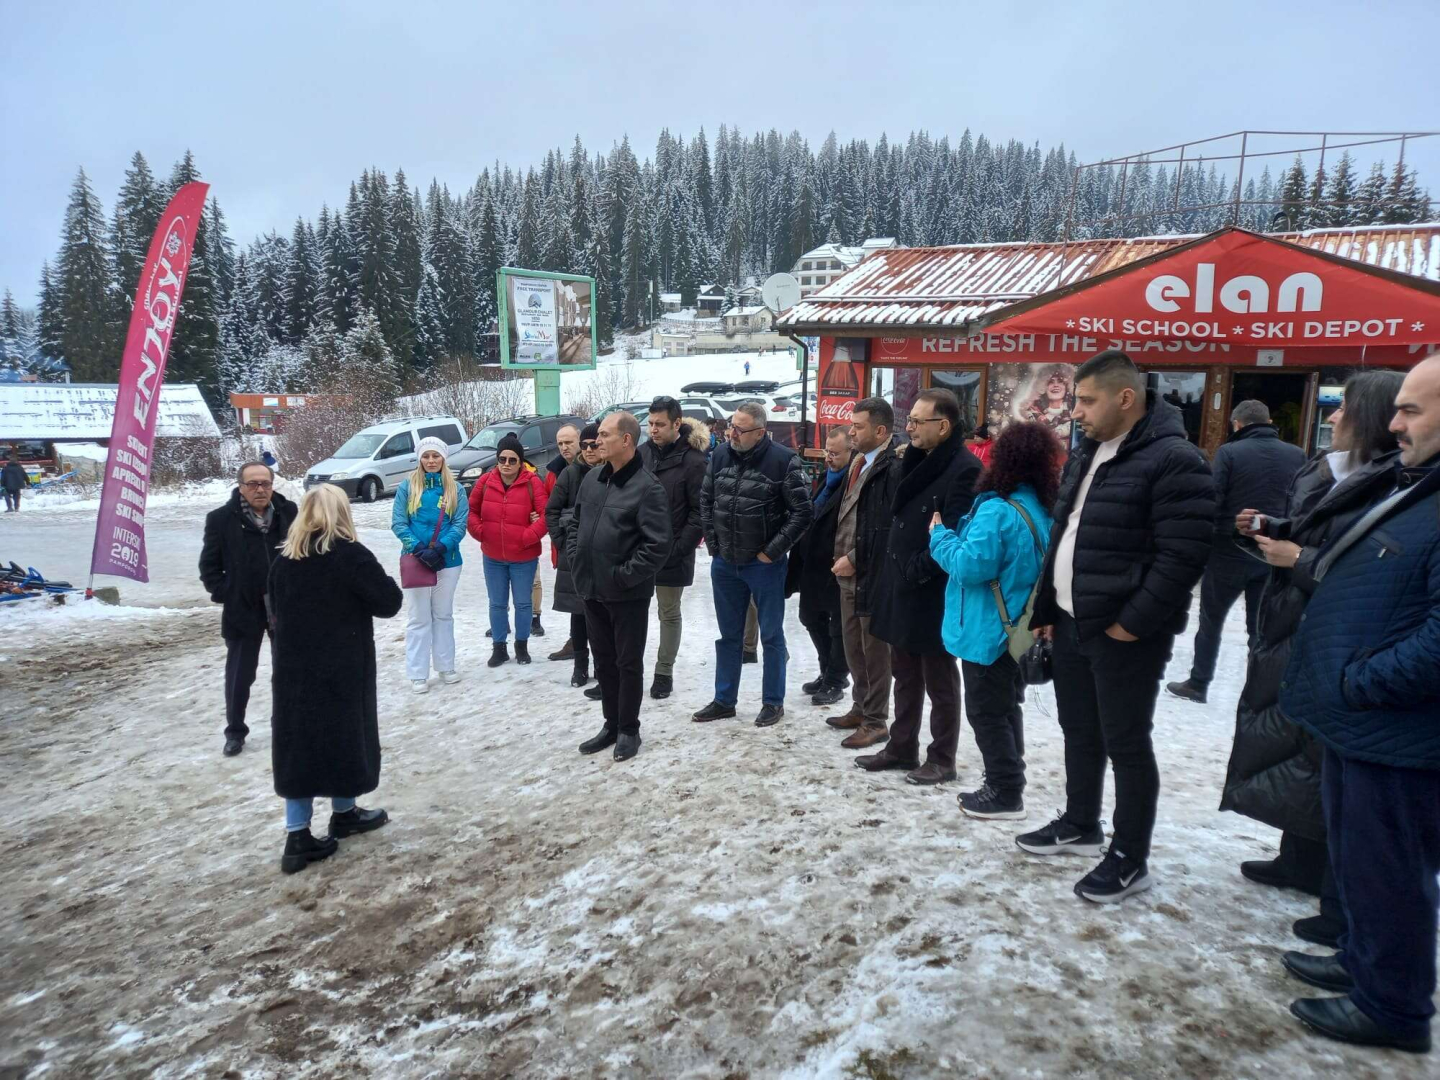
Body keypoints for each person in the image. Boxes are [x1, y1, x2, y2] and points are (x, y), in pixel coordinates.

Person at [1278, 355, 1440, 1053]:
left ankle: (1394, 1007)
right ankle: (1361, 961)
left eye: (1412, 410)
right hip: (1364, 725)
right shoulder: (1418, 482)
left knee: (1391, 871)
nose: (1393, 423)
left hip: (1397, 730)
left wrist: (1361, 681)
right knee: (1361, 864)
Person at [1219, 371, 1405, 951]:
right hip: (1291, 626)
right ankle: (1297, 858)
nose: (1332, 417)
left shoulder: (1395, 482)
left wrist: (1298, 557)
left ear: (1370, 416)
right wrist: (1267, 529)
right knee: (1295, 744)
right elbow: (1312, 534)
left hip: (1336, 634)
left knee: (1325, 756)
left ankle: (1334, 894)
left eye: (1343, 407)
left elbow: (1372, 573)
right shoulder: (1327, 467)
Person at [1020, 350, 1215, 903]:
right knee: (1079, 730)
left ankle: (1131, 857)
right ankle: (1081, 822)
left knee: (1126, 743)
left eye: (1086, 400)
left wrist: (1134, 623)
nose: (1075, 411)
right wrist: (1048, 610)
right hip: (1072, 622)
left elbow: (1184, 555)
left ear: (1125, 398)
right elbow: (1064, 534)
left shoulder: (1175, 459)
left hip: (1123, 634)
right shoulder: (1088, 450)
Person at [267, 483, 403, 873]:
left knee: (299, 744)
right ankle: (314, 831)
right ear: (342, 513)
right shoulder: (349, 555)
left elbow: (273, 610)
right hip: (343, 667)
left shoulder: (284, 559)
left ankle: (314, 824)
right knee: (345, 735)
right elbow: (389, 602)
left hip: (294, 670)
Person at [929, 421, 1061, 818]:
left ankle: (1004, 791)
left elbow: (969, 567)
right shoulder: (1044, 508)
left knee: (986, 712)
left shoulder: (997, 510)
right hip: (1020, 630)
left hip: (988, 630)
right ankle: (1008, 780)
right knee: (1006, 708)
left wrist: (940, 536)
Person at [854, 389, 981, 785]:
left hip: (932, 590)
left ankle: (942, 758)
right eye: (908, 420)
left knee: (940, 680)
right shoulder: (915, 458)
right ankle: (901, 746)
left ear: (943, 426)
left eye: (916, 421)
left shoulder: (964, 469)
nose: (907, 428)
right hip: (900, 583)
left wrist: (915, 570)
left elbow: (955, 534)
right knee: (905, 674)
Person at [1167, 400, 1306, 704]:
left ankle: (1199, 683)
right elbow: (1301, 502)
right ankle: (1259, 688)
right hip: (1272, 552)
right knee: (1260, 627)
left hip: (1228, 551)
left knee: (1211, 621)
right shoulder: (1296, 454)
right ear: (1269, 422)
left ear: (1237, 424)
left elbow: (1213, 499)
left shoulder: (1230, 452)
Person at [693, 402, 812, 727]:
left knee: (771, 635)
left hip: (764, 566)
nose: (732, 434)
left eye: (740, 429)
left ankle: (773, 702)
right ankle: (724, 700)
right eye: (732, 426)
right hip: (725, 563)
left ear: (761, 432)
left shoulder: (783, 460)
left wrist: (771, 553)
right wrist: (714, 545)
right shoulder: (720, 455)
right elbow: (706, 500)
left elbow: (802, 513)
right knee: (728, 636)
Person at [569, 411, 671, 762]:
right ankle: (610, 724)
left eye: (604, 435)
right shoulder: (592, 478)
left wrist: (622, 576)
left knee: (628, 663)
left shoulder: (648, 487)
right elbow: (575, 524)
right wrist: (577, 561)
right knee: (604, 661)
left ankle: (629, 729)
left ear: (626, 440)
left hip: (626, 594)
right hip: (591, 588)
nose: (596, 441)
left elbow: (657, 545)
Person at [199, 461, 298, 757]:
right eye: (253, 484)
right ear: (241, 487)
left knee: (289, 670)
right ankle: (235, 731)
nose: (260, 489)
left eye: (265, 483)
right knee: (240, 674)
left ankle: (287, 726)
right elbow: (209, 567)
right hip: (243, 608)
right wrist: (228, 593)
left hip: (284, 605)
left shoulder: (289, 512)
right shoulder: (220, 519)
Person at [828, 396, 900, 748]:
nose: (851, 432)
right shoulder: (859, 460)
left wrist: (855, 557)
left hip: (872, 572)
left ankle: (875, 720)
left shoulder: (892, 467)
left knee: (874, 650)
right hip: (847, 572)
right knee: (853, 644)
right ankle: (860, 707)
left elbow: (889, 525)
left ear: (881, 431)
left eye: (858, 427)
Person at [637, 396, 708, 699]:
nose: (653, 429)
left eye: (660, 424)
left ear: (677, 424)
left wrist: (679, 548)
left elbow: (700, 511)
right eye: (650, 424)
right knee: (632, 613)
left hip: (673, 550)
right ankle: (626, 670)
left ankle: (663, 672)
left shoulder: (694, 461)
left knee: (668, 612)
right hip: (637, 550)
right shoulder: (641, 454)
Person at [391, 437, 469, 694]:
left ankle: (446, 666)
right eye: (426, 456)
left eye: (436, 456)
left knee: (443, 614)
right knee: (418, 617)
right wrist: (417, 548)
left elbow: (460, 523)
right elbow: (398, 522)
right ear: (420, 458)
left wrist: (441, 547)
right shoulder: (407, 487)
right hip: (415, 560)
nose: (431, 460)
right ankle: (417, 673)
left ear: (443, 458)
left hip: (447, 560)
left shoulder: (455, 489)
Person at [784, 427, 853, 706]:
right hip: (812, 561)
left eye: (834, 453)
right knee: (810, 616)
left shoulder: (854, 479)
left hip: (837, 563)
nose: (828, 457)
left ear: (851, 452)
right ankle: (827, 670)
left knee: (838, 625)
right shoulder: (828, 477)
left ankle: (836, 678)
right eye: (827, 451)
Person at [467, 433, 549, 667]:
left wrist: (527, 537)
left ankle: (521, 646)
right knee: (497, 603)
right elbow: (471, 511)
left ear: (520, 462)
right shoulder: (485, 481)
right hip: (493, 557)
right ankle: (499, 647)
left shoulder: (533, 482)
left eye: (512, 460)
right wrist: (481, 532)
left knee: (523, 603)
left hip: (524, 557)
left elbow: (546, 516)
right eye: (502, 459)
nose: (506, 464)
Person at [546, 424, 601, 688]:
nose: (589, 450)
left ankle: (602, 666)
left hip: (604, 555)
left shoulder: (613, 471)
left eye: (594, 444)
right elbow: (552, 511)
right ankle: (580, 666)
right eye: (585, 445)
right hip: (575, 556)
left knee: (602, 615)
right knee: (579, 614)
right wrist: (562, 543)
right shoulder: (570, 473)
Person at [545, 424, 583, 660]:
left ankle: (582, 642)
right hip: (564, 544)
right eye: (560, 443)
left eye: (569, 442)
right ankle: (575, 640)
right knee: (572, 595)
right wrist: (559, 540)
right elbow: (549, 507)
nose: (564, 447)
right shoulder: (554, 472)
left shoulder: (593, 467)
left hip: (586, 543)